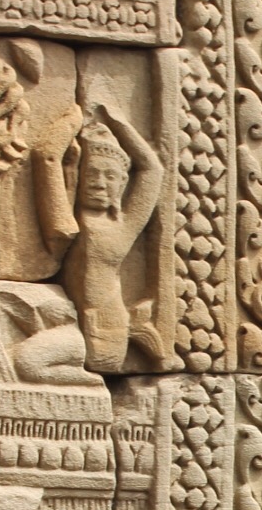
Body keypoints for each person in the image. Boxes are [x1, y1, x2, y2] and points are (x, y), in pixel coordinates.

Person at [34, 105, 170, 372]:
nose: (99, 183)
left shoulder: (124, 226)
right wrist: (72, 120)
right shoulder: (66, 222)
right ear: (78, 176)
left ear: (122, 184)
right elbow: (46, 157)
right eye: (92, 173)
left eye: (110, 176)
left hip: (109, 327)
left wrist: (121, 125)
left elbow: (152, 170)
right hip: (64, 316)